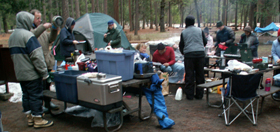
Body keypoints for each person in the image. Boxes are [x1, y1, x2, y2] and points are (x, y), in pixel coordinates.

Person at [8, 11, 53, 128]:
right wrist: (44, 73)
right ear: (27, 21)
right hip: (31, 73)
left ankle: (30, 118)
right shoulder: (28, 36)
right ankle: (38, 119)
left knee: (26, 95)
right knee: (35, 95)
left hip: (20, 72)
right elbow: (37, 57)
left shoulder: (12, 36)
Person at [30, 9, 59, 113]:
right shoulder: (30, 30)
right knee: (38, 86)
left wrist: (54, 29)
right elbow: (33, 36)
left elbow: (51, 39)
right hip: (37, 61)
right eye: (37, 18)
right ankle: (39, 106)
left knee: (47, 84)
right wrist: (43, 27)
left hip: (46, 60)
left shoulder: (42, 30)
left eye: (40, 18)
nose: (39, 20)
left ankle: (48, 103)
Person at [179, 15, 207, 100]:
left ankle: (189, 95)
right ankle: (199, 94)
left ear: (186, 22)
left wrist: (183, 52)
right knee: (200, 74)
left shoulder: (184, 32)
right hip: (200, 54)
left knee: (189, 74)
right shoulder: (199, 30)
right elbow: (205, 42)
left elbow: (181, 45)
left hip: (189, 55)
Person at [271, 29, 280, 98]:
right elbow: (273, 53)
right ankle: (276, 93)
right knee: (276, 77)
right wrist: (277, 59)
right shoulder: (275, 43)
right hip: (277, 64)